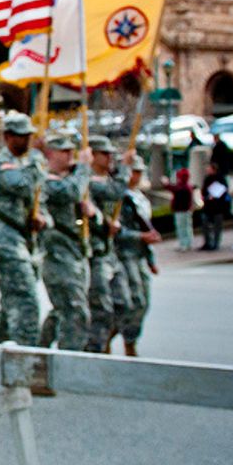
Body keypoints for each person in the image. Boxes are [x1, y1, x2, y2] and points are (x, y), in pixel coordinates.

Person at [0, 111, 46, 346]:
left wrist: (41, 218)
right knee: (26, 302)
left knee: (12, 305)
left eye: (29, 135)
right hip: (5, 240)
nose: (27, 141)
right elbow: (20, 184)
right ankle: (26, 364)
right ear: (8, 136)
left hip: (25, 240)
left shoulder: (26, 164)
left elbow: (37, 196)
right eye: (21, 136)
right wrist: (38, 159)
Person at [37, 134, 93, 354]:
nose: (71, 155)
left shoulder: (72, 178)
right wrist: (85, 167)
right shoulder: (46, 180)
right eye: (64, 151)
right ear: (50, 154)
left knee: (62, 309)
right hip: (57, 254)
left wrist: (92, 213)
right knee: (75, 311)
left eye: (72, 150)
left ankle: (38, 355)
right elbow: (71, 192)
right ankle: (67, 363)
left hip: (76, 252)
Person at [85, 135, 132, 353]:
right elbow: (116, 192)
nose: (110, 157)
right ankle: (95, 348)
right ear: (92, 155)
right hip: (94, 252)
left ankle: (105, 342)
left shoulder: (110, 179)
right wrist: (125, 168)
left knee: (125, 305)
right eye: (105, 153)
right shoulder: (88, 181)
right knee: (100, 308)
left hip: (110, 251)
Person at [111, 156, 161, 357]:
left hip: (139, 255)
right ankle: (120, 338)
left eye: (140, 172)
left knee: (143, 302)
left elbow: (145, 227)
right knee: (131, 302)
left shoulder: (140, 198)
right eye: (133, 171)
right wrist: (140, 236)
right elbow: (116, 231)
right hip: (123, 256)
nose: (137, 176)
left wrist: (151, 260)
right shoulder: (119, 197)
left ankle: (128, 338)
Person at [162, 168, 195, 251]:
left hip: (181, 211)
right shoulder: (187, 186)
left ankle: (184, 245)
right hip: (186, 210)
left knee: (182, 228)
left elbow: (173, 189)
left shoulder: (182, 187)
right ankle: (188, 244)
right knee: (187, 228)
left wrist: (166, 183)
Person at [200, 162, 229, 251]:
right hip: (208, 206)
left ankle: (216, 243)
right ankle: (207, 242)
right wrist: (205, 196)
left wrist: (216, 196)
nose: (207, 170)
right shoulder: (207, 178)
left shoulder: (221, 178)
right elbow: (203, 190)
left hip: (218, 207)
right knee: (205, 224)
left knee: (217, 226)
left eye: (209, 168)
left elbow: (224, 190)